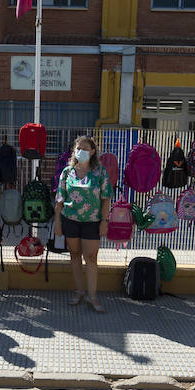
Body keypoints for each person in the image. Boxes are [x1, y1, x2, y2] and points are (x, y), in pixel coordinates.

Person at [53, 134, 113, 312]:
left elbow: (106, 198)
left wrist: (104, 221)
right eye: (78, 149)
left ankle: (92, 296)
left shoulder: (100, 172)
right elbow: (59, 199)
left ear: (93, 151)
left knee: (91, 258)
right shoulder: (67, 172)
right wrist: (57, 222)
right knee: (74, 255)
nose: (81, 152)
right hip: (70, 220)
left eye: (85, 149)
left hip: (92, 222)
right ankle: (79, 291)